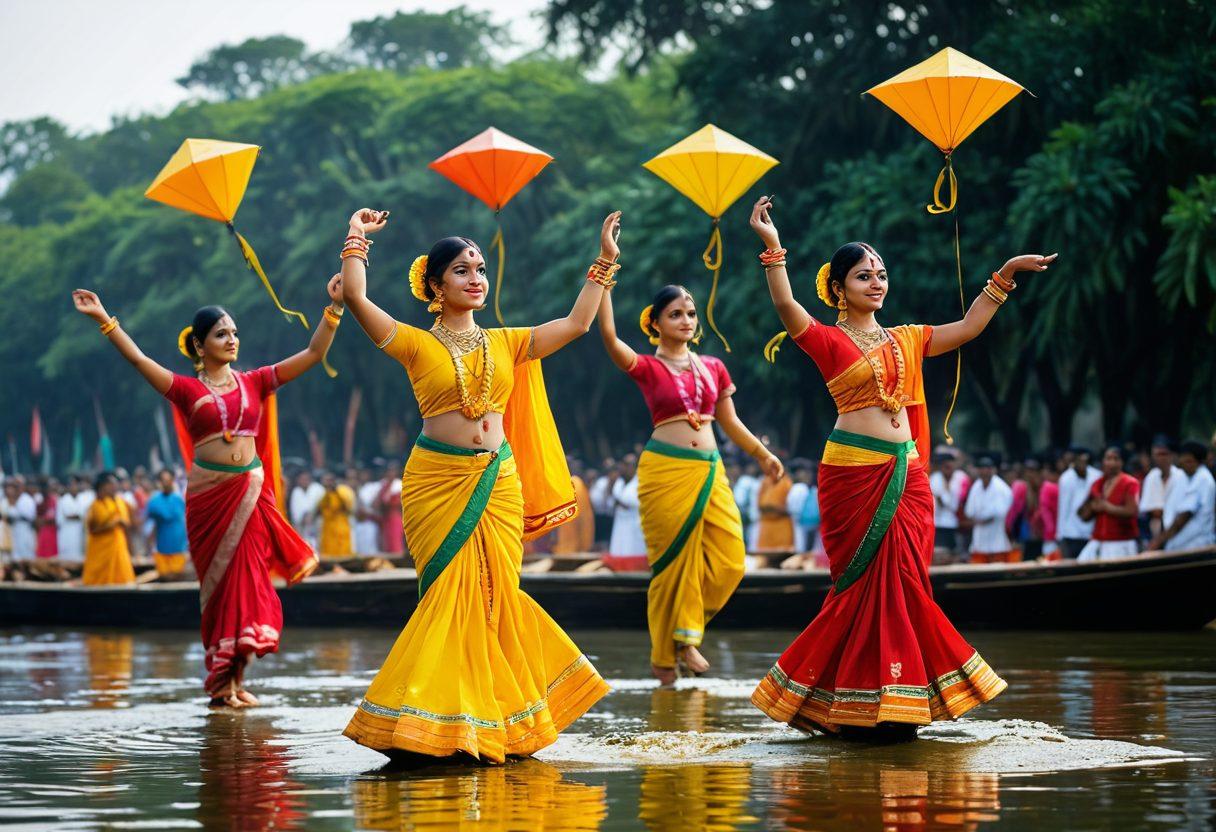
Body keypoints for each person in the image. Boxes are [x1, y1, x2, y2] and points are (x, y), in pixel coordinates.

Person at [747, 196, 1050, 737]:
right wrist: (773, 249)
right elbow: (786, 305)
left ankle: (902, 697)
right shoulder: (827, 339)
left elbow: (970, 326)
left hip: (906, 476)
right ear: (839, 287)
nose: (877, 283)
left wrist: (1003, 276)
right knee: (860, 584)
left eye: (882, 274)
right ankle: (846, 697)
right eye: (864, 276)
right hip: (852, 474)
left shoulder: (909, 338)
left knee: (906, 580)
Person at [337, 208, 611, 762]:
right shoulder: (414, 343)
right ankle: (428, 722)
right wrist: (356, 239)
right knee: (449, 593)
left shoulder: (509, 341)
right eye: (462, 271)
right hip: (437, 480)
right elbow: (358, 301)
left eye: (481, 269)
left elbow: (577, 324)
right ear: (435, 285)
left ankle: (493, 720)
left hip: (499, 480)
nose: (476, 279)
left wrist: (604, 261)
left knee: (495, 595)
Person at [71, 279, 331, 709]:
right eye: (221, 334)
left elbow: (314, 354)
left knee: (249, 584)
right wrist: (104, 319)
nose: (232, 340)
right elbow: (137, 360)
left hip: (250, 493)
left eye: (234, 333)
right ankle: (219, 683)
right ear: (200, 344)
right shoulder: (186, 389)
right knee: (220, 588)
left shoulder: (256, 381)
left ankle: (237, 677)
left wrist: (334, 309)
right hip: (210, 500)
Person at [597, 280, 780, 685]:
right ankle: (672, 655)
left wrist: (762, 455)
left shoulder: (713, 367)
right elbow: (609, 337)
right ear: (656, 323)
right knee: (671, 566)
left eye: (691, 313)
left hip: (709, 468)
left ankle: (685, 633)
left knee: (731, 559)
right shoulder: (647, 367)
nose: (686, 320)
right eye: (675, 314)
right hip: (664, 470)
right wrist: (606, 278)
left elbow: (730, 421)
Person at [1077, 446, 1141, 561]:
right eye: (1108, 458)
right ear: (1103, 461)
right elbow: (1084, 515)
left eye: (1116, 459)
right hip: (1098, 541)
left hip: (1121, 542)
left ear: (1122, 462)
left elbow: (1132, 511)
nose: (1111, 463)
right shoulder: (1097, 484)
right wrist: (1091, 507)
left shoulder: (1130, 483)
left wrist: (1107, 507)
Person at [1151, 440, 1216, 553]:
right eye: (1183, 460)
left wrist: (1157, 542)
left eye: (1188, 461)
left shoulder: (1202, 479)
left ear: (1198, 462)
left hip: (1195, 545)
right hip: (1185, 544)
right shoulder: (1189, 477)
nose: (1183, 463)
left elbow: (1184, 516)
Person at [82, 472, 135, 586]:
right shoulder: (95, 506)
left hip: (118, 545)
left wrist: (131, 548)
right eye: (111, 484)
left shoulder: (120, 502)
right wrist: (113, 523)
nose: (114, 487)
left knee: (122, 575)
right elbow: (92, 528)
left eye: (115, 484)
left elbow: (128, 523)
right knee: (98, 579)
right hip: (100, 549)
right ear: (102, 486)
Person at [963, 456, 1015, 563]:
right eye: (981, 468)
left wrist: (980, 519)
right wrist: (979, 519)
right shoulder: (976, 486)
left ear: (993, 470)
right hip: (979, 540)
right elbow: (969, 511)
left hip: (997, 540)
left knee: (998, 573)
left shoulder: (1001, 487)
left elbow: (999, 512)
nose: (984, 471)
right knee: (978, 573)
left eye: (987, 468)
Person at [1056, 446, 1100, 559]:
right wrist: (1060, 536)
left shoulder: (1097, 476)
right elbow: (1063, 509)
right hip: (1071, 534)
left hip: (1092, 533)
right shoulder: (1066, 478)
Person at [145, 469, 189, 577]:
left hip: (179, 549)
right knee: (165, 578)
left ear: (173, 480)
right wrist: (149, 547)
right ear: (159, 482)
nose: (166, 482)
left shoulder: (179, 499)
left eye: (168, 479)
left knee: (179, 578)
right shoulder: (154, 502)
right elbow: (149, 526)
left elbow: (186, 522)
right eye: (163, 480)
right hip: (162, 550)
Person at [1140, 436, 1182, 541]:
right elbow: (1147, 508)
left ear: (1172, 455)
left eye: (1164, 454)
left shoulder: (1181, 476)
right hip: (1153, 528)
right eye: (1157, 455)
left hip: (1177, 527)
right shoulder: (1151, 476)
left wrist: (1162, 511)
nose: (1160, 458)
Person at [929, 452, 968, 562]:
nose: (948, 468)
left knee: (954, 554)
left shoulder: (960, 477)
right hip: (939, 524)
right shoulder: (935, 479)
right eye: (945, 466)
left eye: (950, 465)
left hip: (955, 524)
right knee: (939, 554)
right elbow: (944, 503)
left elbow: (955, 504)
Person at [608, 455, 646, 558]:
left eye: (628, 465)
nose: (624, 468)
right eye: (624, 465)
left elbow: (636, 503)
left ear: (634, 467)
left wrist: (619, 502)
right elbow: (611, 503)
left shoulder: (641, 481)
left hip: (634, 525)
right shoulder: (619, 482)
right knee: (618, 551)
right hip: (620, 525)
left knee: (633, 552)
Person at [754, 462, 794, 553]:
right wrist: (769, 507)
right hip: (766, 525)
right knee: (764, 555)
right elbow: (760, 504)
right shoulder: (765, 482)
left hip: (782, 525)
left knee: (782, 555)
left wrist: (774, 508)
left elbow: (790, 509)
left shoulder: (787, 483)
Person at [316, 472, 356, 559]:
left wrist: (336, 492)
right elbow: (318, 510)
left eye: (329, 480)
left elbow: (348, 507)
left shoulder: (344, 490)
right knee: (328, 549)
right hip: (327, 527)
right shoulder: (322, 492)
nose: (327, 482)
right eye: (325, 480)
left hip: (341, 525)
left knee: (342, 549)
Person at [1, 477, 36, 563]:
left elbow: (29, 516)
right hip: (7, 532)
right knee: (9, 558)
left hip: (24, 530)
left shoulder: (27, 499)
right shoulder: (4, 501)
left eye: (16, 486)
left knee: (25, 556)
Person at [56, 475, 90, 562]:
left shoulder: (84, 498)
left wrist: (76, 516)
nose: (73, 487)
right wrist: (76, 516)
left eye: (75, 484)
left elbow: (85, 515)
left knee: (79, 556)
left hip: (79, 532)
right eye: (71, 485)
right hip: (66, 532)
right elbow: (61, 518)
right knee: (66, 557)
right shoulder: (63, 499)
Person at [376, 463, 404, 556]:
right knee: (386, 541)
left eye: (392, 471)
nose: (390, 473)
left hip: (395, 517)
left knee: (395, 540)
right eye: (388, 471)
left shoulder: (399, 484)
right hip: (385, 517)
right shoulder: (383, 485)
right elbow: (379, 501)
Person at [355, 468, 382, 556]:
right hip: (359, 522)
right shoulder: (359, 487)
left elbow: (376, 505)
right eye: (362, 474)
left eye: (365, 474)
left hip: (370, 521)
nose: (363, 476)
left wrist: (366, 511)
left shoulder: (375, 486)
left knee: (371, 546)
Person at [35, 478, 60, 560]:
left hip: (51, 533)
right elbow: (36, 520)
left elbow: (52, 519)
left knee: (51, 557)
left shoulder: (53, 500)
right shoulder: (39, 500)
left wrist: (43, 520)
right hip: (42, 532)